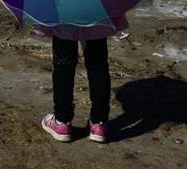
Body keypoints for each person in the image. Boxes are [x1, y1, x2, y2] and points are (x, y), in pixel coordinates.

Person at [37, 16, 125, 144]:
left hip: (64, 11)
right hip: (95, 11)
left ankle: (62, 121)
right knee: (98, 64)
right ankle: (99, 123)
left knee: (63, 63)